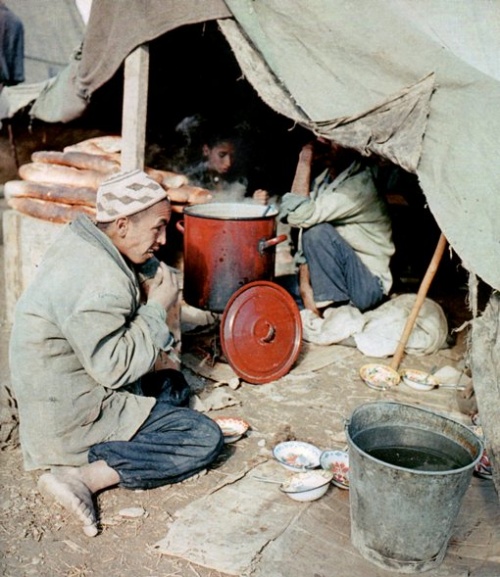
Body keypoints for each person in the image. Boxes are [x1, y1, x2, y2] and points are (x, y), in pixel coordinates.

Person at [9, 169, 224, 537]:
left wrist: (154, 274)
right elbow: (115, 368)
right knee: (202, 436)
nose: (163, 238)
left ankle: (138, 431)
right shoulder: (101, 278)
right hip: (69, 417)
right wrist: (157, 307)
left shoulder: (86, 241)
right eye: (158, 227)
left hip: (63, 387)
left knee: (172, 383)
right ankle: (83, 477)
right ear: (123, 225)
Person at [279, 138, 395, 316]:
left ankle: (334, 311)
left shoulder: (360, 185)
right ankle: (327, 304)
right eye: (320, 138)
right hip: (343, 278)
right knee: (279, 288)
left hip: (367, 286)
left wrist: (304, 159)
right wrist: (304, 287)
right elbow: (301, 231)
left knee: (317, 231)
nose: (322, 143)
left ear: (353, 147)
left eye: (332, 140)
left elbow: (298, 216)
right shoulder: (324, 181)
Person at [184, 125, 269, 205]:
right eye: (222, 155)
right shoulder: (192, 177)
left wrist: (255, 201)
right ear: (206, 150)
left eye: (232, 156)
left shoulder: (236, 176)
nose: (229, 163)